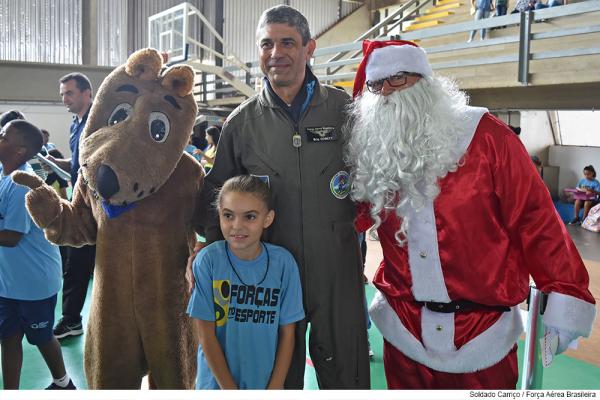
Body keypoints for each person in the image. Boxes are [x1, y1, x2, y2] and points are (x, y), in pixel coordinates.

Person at [347, 39, 596, 389]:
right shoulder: (374, 149)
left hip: (482, 338)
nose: (386, 91)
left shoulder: (489, 138)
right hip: (402, 332)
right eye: (376, 84)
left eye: (398, 78)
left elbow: (535, 218)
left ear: (425, 80)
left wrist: (565, 290)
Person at [195, 5, 370, 389]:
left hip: (335, 270)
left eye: (287, 42)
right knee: (273, 377)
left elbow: (380, 178)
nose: (276, 53)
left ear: (310, 48)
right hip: (265, 278)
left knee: (347, 372)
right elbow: (215, 199)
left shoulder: (346, 111)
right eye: (267, 44)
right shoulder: (241, 124)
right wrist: (215, 260)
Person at [188, 175, 304, 389]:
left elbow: (288, 333)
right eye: (228, 216)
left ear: (267, 219)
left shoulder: (284, 264)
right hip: (216, 386)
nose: (236, 226)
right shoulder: (208, 262)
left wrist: (275, 386)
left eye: (249, 217)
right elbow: (205, 335)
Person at [0, 120, 75, 389]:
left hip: (34, 283)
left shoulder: (22, 183)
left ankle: (63, 382)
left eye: (3, 136)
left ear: (19, 150)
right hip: (8, 281)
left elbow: (11, 237)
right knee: (8, 338)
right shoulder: (2, 172)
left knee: (41, 336)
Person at [48, 73, 97, 339]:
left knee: (98, 266)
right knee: (76, 263)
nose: (65, 99)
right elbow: (77, 164)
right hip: (81, 205)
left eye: (69, 93)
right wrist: (53, 162)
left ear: (87, 92)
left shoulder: (98, 121)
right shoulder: (74, 125)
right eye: (62, 94)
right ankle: (71, 319)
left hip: (100, 207)